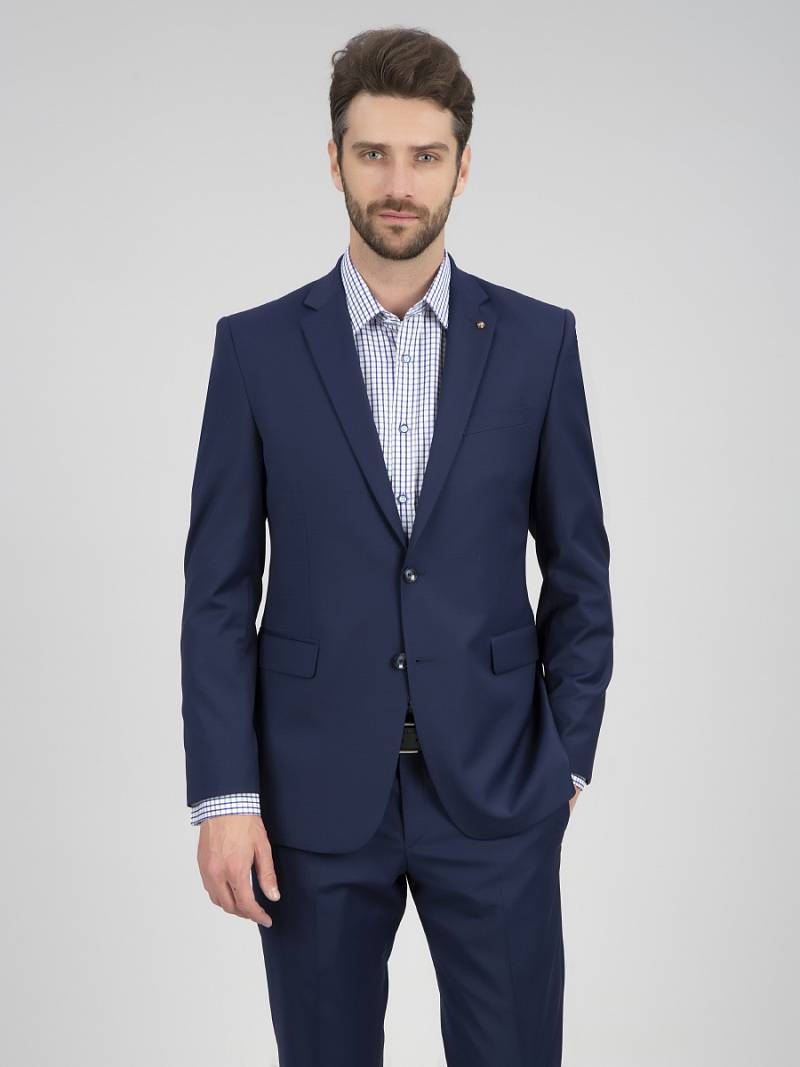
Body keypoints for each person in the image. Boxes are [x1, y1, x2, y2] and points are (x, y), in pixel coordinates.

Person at [180, 24, 613, 1067]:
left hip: (497, 787)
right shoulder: (255, 348)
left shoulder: (537, 342)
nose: (399, 183)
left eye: (425, 155)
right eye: (373, 153)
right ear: (334, 160)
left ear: (463, 165)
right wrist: (226, 795)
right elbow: (217, 591)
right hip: (312, 794)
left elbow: (580, 569)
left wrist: (564, 759)